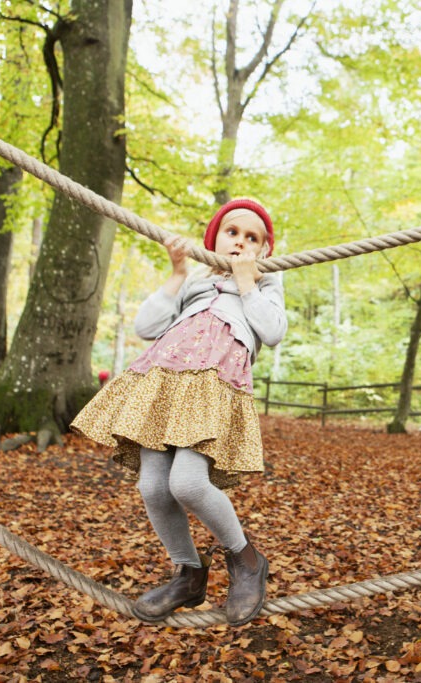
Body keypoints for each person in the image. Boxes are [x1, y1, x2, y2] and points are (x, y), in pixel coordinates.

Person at [72, 197, 287, 626]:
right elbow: (147, 328)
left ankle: (246, 560)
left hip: (212, 382)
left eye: (252, 238)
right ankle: (188, 573)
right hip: (164, 380)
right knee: (153, 487)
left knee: (187, 483)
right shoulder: (199, 279)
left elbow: (273, 331)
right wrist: (177, 274)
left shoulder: (265, 279)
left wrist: (248, 282)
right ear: (215, 239)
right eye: (233, 233)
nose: (241, 242)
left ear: (264, 250)